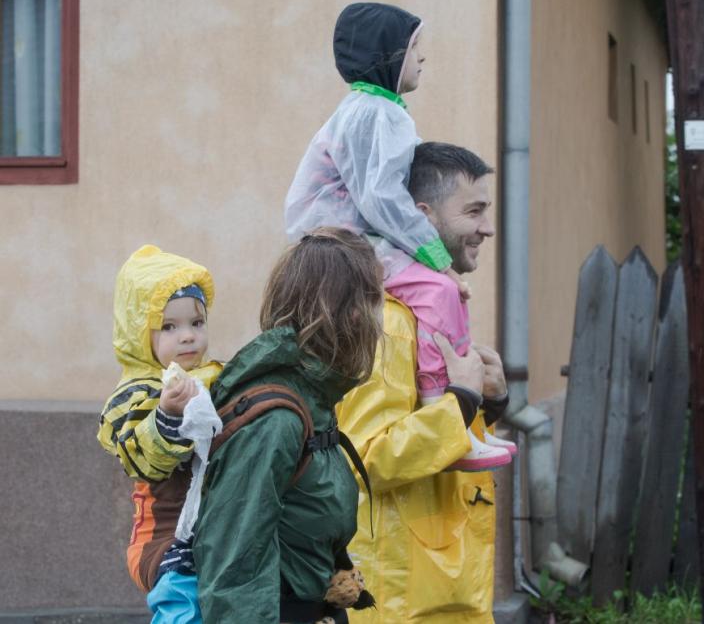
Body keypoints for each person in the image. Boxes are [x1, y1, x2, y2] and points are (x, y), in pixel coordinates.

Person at [284, 2, 509, 470]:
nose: (423, 58)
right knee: (439, 287)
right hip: (348, 242)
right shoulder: (377, 113)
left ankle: (459, 419)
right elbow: (382, 197)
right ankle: (441, 405)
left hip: (350, 238)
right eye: (414, 48)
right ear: (387, 54)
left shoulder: (374, 111)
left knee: (445, 294)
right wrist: (431, 252)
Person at [337, 142, 512, 622]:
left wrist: (488, 406)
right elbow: (365, 456)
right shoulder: (389, 325)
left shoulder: (434, 308)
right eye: (473, 211)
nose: (487, 228)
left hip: (444, 589)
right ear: (423, 214)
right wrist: (463, 401)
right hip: (399, 596)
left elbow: (444, 437)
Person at [192, 228, 383, 623]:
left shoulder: (316, 399)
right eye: (373, 301)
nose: (378, 318)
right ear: (345, 313)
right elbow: (233, 571)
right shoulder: (277, 421)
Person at [96, 244, 223, 621]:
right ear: (139, 334)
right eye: (169, 327)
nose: (187, 337)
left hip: (215, 527)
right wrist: (166, 412)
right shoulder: (135, 394)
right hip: (163, 535)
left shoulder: (215, 377)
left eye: (196, 323)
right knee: (182, 599)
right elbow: (142, 459)